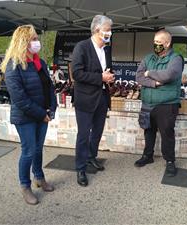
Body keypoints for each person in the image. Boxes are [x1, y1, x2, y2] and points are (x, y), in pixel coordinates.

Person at [1, 24, 57, 205]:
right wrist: (41, 114)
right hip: (25, 117)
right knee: (29, 151)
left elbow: (49, 87)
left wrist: (51, 108)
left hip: (42, 114)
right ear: (23, 41)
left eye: (36, 38)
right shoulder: (13, 65)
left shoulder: (38, 62)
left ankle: (39, 178)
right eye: (33, 39)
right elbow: (20, 99)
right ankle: (25, 186)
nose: (37, 42)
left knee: (38, 148)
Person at [71, 15, 114, 187]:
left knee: (97, 131)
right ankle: (80, 168)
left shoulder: (106, 49)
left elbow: (105, 71)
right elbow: (77, 74)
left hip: (102, 97)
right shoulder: (82, 47)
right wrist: (100, 77)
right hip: (85, 99)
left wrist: (109, 77)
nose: (110, 33)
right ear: (97, 30)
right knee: (83, 135)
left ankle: (91, 157)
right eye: (108, 29)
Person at [135, 30, 184, 176]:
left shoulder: (176, 59)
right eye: (155, 42)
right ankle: (147, 156)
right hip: (148, 102)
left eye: (159, 42)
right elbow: (138, 76)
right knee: (148, 131)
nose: (156, 45)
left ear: (167, 43)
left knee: (167, 133)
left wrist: (149, 73)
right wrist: (155, 83)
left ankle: (170, 161)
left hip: (167, 104)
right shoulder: (148, 58)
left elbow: (168, 75)